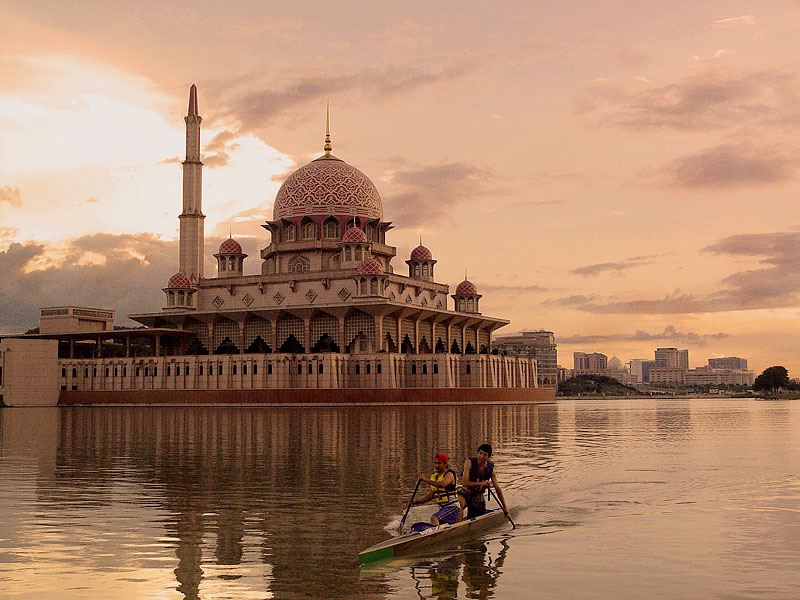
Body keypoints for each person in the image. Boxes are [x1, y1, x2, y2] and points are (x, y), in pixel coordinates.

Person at [458, 443, 509, 519]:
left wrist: (505, 507)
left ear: (488, 457)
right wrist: (481, 483)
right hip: (465, 492)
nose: (481, 456)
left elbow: (497, 488)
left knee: (476, 515)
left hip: (478, 496)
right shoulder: (469, 462)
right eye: (480, 453)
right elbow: (464, 483)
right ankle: (458, 524)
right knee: (460, 506)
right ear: (477, 453)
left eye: (484, 454)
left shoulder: (490, 469)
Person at [412, 453, 462, 525]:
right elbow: (431, 496)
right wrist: (417, 502)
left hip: (453, 508)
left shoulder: (449, 474)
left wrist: (425, 479)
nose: (436, 466)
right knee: (434, 518)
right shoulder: (435, 476)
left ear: (445, 464)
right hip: (443, 509)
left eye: (439, 463)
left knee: (434, 517)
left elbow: (442, 484)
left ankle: (436, 534)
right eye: (435, 463)